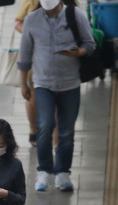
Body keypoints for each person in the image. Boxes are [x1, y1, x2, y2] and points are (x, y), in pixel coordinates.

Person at [18, 0, 95, 192]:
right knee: (44, 125)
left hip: (70, 84)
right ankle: (44, 170)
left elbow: (90, 43)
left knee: (66, 131)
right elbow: (25, 54)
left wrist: (80, 52)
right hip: (43, 84)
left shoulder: (76, 15)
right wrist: (24, 83)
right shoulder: (32, 20)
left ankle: (63, 172)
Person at [14, 0, 58, 148]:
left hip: (62, 60)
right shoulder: (31, 2)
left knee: (59, 98)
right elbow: (18, 22)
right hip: (37, 58)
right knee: (33, 96)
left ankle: (56, 137)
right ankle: (34, 128)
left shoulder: (68, 4)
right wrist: (30, 32)